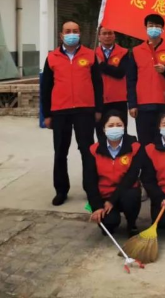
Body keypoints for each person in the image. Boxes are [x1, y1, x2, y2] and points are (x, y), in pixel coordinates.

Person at [42, 21, 103, 206]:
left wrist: (98, 109)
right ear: (61, 35)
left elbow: (98, 84)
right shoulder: (52, 57)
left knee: (87, 151)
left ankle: (91, 189)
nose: (71, 34)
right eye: (68, 31)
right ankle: (61, 190)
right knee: (60, 151)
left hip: (85, 110)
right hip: (60, 111)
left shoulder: (90, 55)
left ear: (80, 33)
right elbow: (46, 88)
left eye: (75, 31)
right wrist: (47, 114)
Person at [84, 110, 142, 236]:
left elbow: (131, 177)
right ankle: (108, 222)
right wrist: (97, 206)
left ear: (124, 127)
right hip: (104, 195)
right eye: (110, 125)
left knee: (131, 197)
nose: (115, 128)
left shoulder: (134, 147)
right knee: (109, 222)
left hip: (126, 191)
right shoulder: (94, 150)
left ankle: (131, 224)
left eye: (119, 125)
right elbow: (89, 181)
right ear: (104, 129)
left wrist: (112, 200)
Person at [126, 14, 165, 146]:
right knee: (145, 143)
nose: (154, 28)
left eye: (157, 26)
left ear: (162, 29)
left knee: (163, 142)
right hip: (143, 105)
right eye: (151, 26)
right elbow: (131, 80)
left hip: (163, 103)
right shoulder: (137, 51)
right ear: (145, 28)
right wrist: (132, 104)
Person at [95, 27, 129, 142]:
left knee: (120, 132)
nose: (107, 36)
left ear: (114, 36)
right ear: (99, 36)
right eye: (104, 33)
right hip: (99, 100)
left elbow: (120, 73)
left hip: (118, 100)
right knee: (101, 133)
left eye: (110, 33)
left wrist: (101, 65)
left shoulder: (123, 52)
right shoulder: (93, 54)